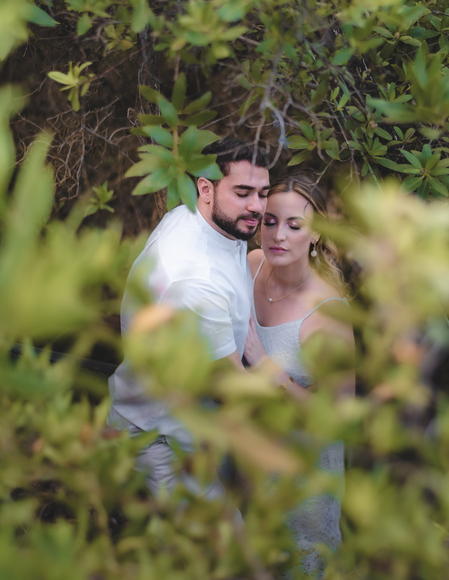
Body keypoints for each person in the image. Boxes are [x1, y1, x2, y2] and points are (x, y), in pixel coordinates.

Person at [107, 136, 270, 499]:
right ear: (206, 189)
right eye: (243, 192)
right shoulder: (198, 278)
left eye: (263, 192)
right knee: (222, 551)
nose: (256, 206)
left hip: (187, 425)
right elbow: (232, 387)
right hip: (160, 439)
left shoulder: (200, 218)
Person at [248, 174, 354, 579]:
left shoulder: (328, 313)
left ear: (315, 234)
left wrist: (271, 373)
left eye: (294, 226)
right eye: (270, 221)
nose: (278, 235)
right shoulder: (252, 267)